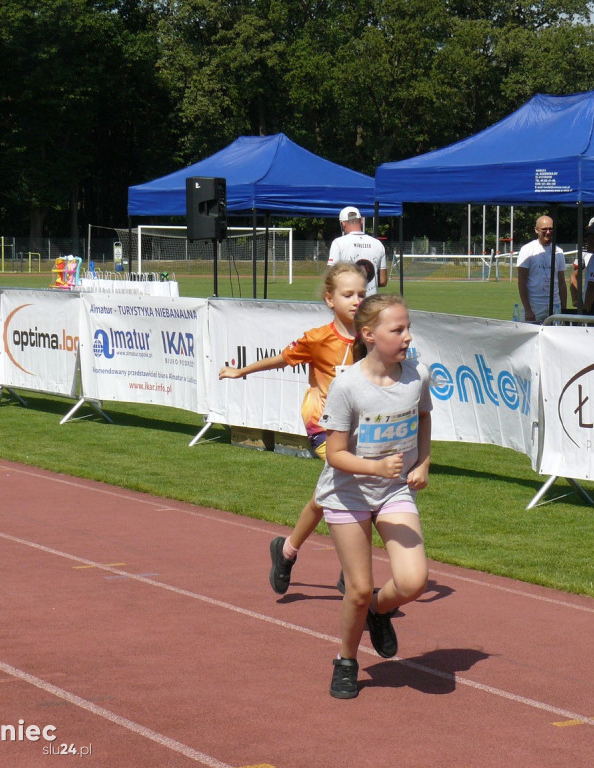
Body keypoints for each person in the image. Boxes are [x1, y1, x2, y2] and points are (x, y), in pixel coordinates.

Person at [219, 263, 368, 595]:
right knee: (356, 486)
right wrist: (240, 371)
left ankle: (286, 552)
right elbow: (282, 359)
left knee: (327, 497)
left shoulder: (370, 337)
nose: (356, 301)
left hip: (360, 432)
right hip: (323, 429)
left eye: (362, 294)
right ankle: (351, 572)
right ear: (330, 299)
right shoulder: (319, 339)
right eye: (348, 295)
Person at [316, 293, 432, 699]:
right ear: (368, 334)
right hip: (347, 494)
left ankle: (379, 613)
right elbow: (334, 454)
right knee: (359, 588)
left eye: (407, 327)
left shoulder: (417, 376)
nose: (406, 336)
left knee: (414, 580)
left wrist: (424, 462)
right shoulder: (347, 385)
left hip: (393, 490)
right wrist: (375, 467)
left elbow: (423, 418)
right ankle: (346, 660)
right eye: (397, 329)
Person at [517, 215, 567, 323]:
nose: (548, 232)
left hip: (555, 306)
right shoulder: (527, 250)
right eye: (544, 229)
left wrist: (564, 309)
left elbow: (562, 283)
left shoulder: (558, 252)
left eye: (550, 229)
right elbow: (522, 283)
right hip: (534, 306)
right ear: (536, 230)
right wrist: (528, 310)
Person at [327, 206, 387, 297]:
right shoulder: (378, 244)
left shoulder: (338, 243)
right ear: (362, 221)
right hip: (370, 303)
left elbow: (330, 277)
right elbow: (383, 281)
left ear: (343, 224)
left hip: (349, 301)